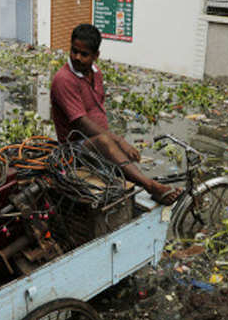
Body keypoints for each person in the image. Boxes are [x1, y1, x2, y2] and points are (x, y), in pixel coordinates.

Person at [50, 23, 182, 205]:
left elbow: (98, 110)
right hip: (74, 149)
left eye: (84, 54)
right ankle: (151, 186)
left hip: (97, 142)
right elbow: (81, 122)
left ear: (96, 55)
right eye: (74, 51)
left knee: (124, 153)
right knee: (107, 142)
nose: (77, 57)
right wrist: (118, 141)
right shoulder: (64, 79)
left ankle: (149, 186)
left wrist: (118, 143)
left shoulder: (96, 74)